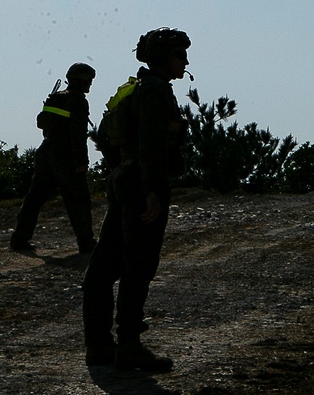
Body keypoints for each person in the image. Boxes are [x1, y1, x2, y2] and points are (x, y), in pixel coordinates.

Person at [82, 28, 190, 371]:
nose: (185, 61)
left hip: (124, 178)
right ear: (164, 58)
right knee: (138, 265)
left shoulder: (135, 88)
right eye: (180, 54)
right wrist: (152, 191)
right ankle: (128, 345)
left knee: (104, 265)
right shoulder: (156, 90)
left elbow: (106, 138)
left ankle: (99, 345)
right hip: (142, 183)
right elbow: (153, 145)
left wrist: (121, 176)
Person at [10, 63, 98, 253]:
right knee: (78, 198)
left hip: (46, 150)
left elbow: (42, 124)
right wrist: (82, 161)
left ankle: (19, 238)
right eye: (89, 81)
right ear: (83, 81)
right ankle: (86, 242)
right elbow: (77, 133)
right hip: (65, 154)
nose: (90, 85)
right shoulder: (78, 101)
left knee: (35, 197)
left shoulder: (56, 97)